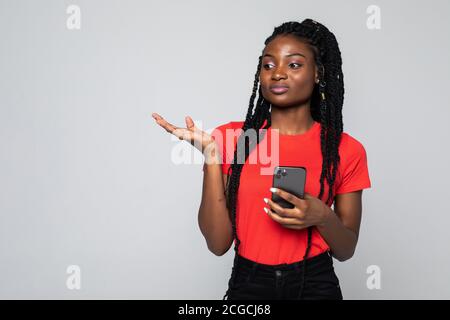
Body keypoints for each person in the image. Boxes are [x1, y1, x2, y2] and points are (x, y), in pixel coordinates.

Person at [151, 18, 371, 300]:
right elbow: (218, 244)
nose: (277, 74)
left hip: (315, 283)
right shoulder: (237, 139)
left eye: (293, 64)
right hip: (249, 282)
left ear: (318, 73)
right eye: (268, 65)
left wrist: (322, 216)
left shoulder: (344, 149)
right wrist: (212, 158)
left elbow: (346, 249)